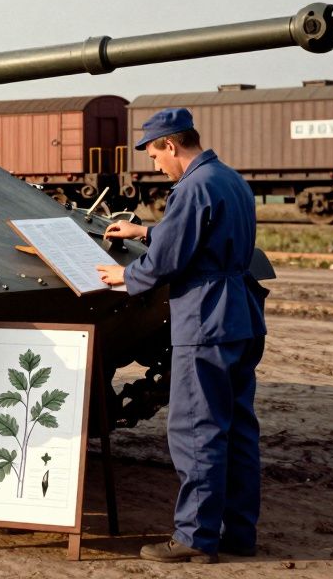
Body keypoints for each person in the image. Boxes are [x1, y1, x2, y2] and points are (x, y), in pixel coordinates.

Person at [95, 108, 268, 564]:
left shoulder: (191, 187)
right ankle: (239, 533)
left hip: (206, 318)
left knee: (197, 429)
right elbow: (205, 236)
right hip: (240, 314)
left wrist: (123, 275)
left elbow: (168, 262)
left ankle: (194, 537)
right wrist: (147, 231)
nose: (156, 165)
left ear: (171, 144)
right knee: (237, 428)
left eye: (155, 155)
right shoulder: (228, 178)